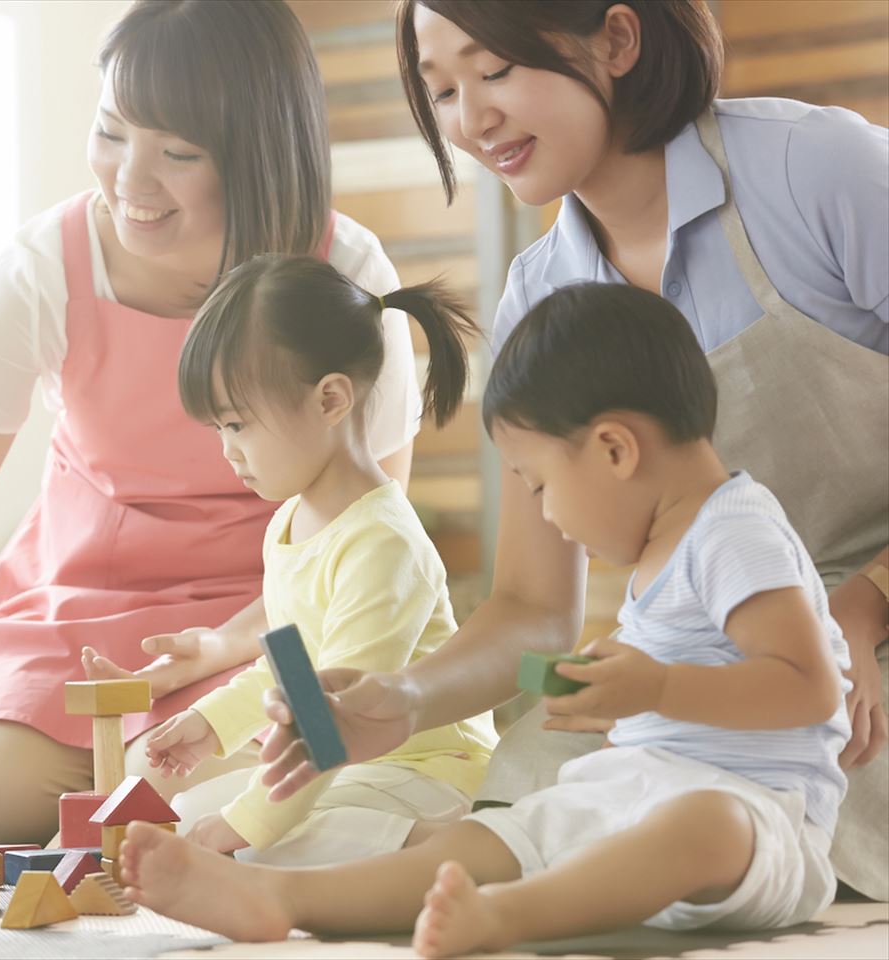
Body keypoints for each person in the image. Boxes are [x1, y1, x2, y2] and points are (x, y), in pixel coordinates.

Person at [143, 0, 889, 899]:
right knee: (535, 772)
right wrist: (408, 700)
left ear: (616, 39)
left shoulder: (817, 170)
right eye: (443, 89)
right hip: (694, 665)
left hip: (857, 636)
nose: (470, 119)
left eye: (496, 71)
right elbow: (536, 609)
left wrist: (865, 601)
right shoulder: (539, 295)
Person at [0, 0, 423, 844]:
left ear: (256, 156)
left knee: (224, 791)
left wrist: (229, 647)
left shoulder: (345, 276)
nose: (128, 180)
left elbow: (367, 542)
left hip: (269, 616)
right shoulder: (47, 263)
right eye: (112, 131)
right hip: (73, 605)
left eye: (177, 153)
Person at [119, 283, 852, 955]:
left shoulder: (735, 532)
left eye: (538, 486)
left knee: (702, 828)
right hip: (634, 787)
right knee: (491, 836)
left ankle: (508, 916)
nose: (548, 516)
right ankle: (283, 896)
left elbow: (810, 690)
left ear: (614, 450)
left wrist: (657, 690)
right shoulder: (665, 546)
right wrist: (584, 683)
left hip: (762, 818)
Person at [122, 254, 497, 865]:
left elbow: (331, 721)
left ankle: (462, 852)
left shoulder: (383, 542)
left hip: (433, 773)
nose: (228, 452)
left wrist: (245, 826)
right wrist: (212, 724)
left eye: (238, 424)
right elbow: (292, 674)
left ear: (329, 400)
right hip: (354, 769)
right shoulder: (289, 524)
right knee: (186, 817)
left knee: (263, 843)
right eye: (218, 429)